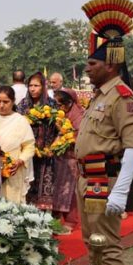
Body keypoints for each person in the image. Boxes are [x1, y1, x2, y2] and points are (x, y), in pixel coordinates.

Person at [75, 0, 133, 265]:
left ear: (111, 64)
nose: (87, 68)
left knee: (109, 245)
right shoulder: (101, 94)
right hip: (88, 178)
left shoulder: (123, 97)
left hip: (106, 179)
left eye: (92, 63)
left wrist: (121, 190)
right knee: (92, 242)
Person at [17, 72, 58, 210]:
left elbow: (61, 128)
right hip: (27, 154)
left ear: (43, 87)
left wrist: (54, 147)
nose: (32, 89)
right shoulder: (23, 105)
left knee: (46, 185)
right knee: (27, 185)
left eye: (36, 85)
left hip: (46, 154)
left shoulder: (52, 105)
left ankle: (44, 220)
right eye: (30, 86)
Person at [0, 86, 35, 204]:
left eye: (6, 102)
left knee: (11, 204)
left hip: (12, 169)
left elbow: (29, 146)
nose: (1, 105)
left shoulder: (20, 120)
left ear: (13, 101)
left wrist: (20, 160)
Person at [52, 89, 83, 233]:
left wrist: (64, 135)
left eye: (59, 104)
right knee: (57, 189)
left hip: (71, 157)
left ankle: (71, 220)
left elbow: (79, 136)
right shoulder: (58, 114)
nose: (57, 107)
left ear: (69, 103)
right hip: (58, 158)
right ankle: (56, 218)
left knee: (69, 190)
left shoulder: (77, 116)